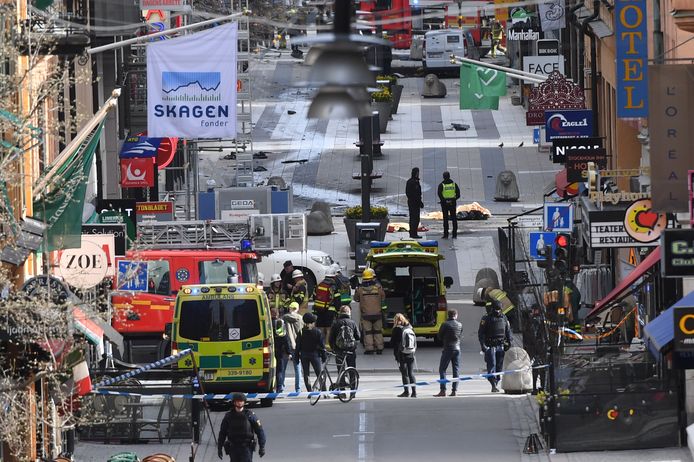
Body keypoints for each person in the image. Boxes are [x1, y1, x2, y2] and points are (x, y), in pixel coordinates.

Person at [217, 393, 266, 461]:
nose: (239, 403)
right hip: (233, 447)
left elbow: (260, 431)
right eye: (238, 401)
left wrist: (262, 447)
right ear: (234, 402)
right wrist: (219, 448)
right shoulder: (228, 416)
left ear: (244, 402)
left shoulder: (250, 415)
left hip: (246, 448)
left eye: (241, 401)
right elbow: (222, 433)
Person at [478, 299, 512, 393]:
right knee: (491, 365)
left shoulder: (504, 318)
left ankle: (496, 382)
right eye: (496, 309)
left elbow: (508, 331)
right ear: (492, 308)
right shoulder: (486, 318)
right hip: (490, 345)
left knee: (499, 367)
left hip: (500, 345)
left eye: (499, 309)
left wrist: (509, 342)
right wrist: (483, 345)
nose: (497, 311)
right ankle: (493, 385)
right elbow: (481, 333)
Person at [353, 268, 386, 355]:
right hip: (377, 313)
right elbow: (383, 297)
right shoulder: (378, 287)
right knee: (378, 331)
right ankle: (379, 348)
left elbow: (356, 299)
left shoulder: (360, 289)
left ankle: (369, 349)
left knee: (368, 332)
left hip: (365, 314)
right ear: (372, 277)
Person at [434, 309, 463, 397]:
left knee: (442, 369)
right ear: (456, 315)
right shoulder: (460, 324)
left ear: (448, 315)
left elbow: (439, 336)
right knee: (456, 369)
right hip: (457, 348)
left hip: (448, 348)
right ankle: (454, 390)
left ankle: (443, 390)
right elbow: (460, 335)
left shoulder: (445, 324)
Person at [296, 312, 326, 391]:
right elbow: (322, 346)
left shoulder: (301, 332)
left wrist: (296, 357)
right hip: (315, 354)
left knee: (306, 374)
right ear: (313, 322)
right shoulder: (317, 332)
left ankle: (309, 391)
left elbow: (297, 346)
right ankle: (324, 390)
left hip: (304, 354)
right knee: (319, 373)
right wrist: (324, 357)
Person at [391, 313, 417, 398]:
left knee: (404, 373)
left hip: (401, 354)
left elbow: (392, 342)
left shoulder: (397, 329)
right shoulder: (410, 327)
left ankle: (406, 392)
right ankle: (414, 392)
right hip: (411, 352)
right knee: (411, 373)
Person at [313, 267, 341, 341]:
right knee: (328, 328)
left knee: (321, 327)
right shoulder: (333, 286)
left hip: (319, 310)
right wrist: (338, 310)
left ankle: (320, 345)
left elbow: (314, 297)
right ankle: (328, 345)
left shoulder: (319, 284)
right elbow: (337, 300)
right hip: (330, 310)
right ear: (333, 276)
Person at [282, 301, 304, 392]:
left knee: (282, 368)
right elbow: (302, 333)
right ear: (297, 309)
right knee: (297, 368)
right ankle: (298, 389)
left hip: (286, 345)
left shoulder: (284, 318)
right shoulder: (301, 318)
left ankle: (280, 388)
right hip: (297, 346)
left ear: (290, 308)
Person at [437, 171, 461, 239]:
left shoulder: (441, 185)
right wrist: (453, 199)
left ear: (443, 177)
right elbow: (458, 194)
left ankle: (446, 234)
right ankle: (454, 234)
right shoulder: (454, 184)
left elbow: (439, 194)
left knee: (445, 219)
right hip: (452, 203)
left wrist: (444, 200)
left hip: (444, 204)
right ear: (449, 176)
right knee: (454, 219)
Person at [271, 309, 290, 393]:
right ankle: (279, 387)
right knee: (279, 370)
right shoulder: (279, 323)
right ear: (277, 314)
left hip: (270, 349)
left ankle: (271, 387)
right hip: (280, 350)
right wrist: (288, 351)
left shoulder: (266, 323)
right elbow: (284, 338)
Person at [405, 167, 424, 239]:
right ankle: (413, 233)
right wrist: (419, 202)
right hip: (414, 203)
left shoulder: (411, 181)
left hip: (412, 202)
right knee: (415, 218)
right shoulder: (414, 182)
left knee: (413, 218)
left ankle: (412, 232)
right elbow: (414, 194)